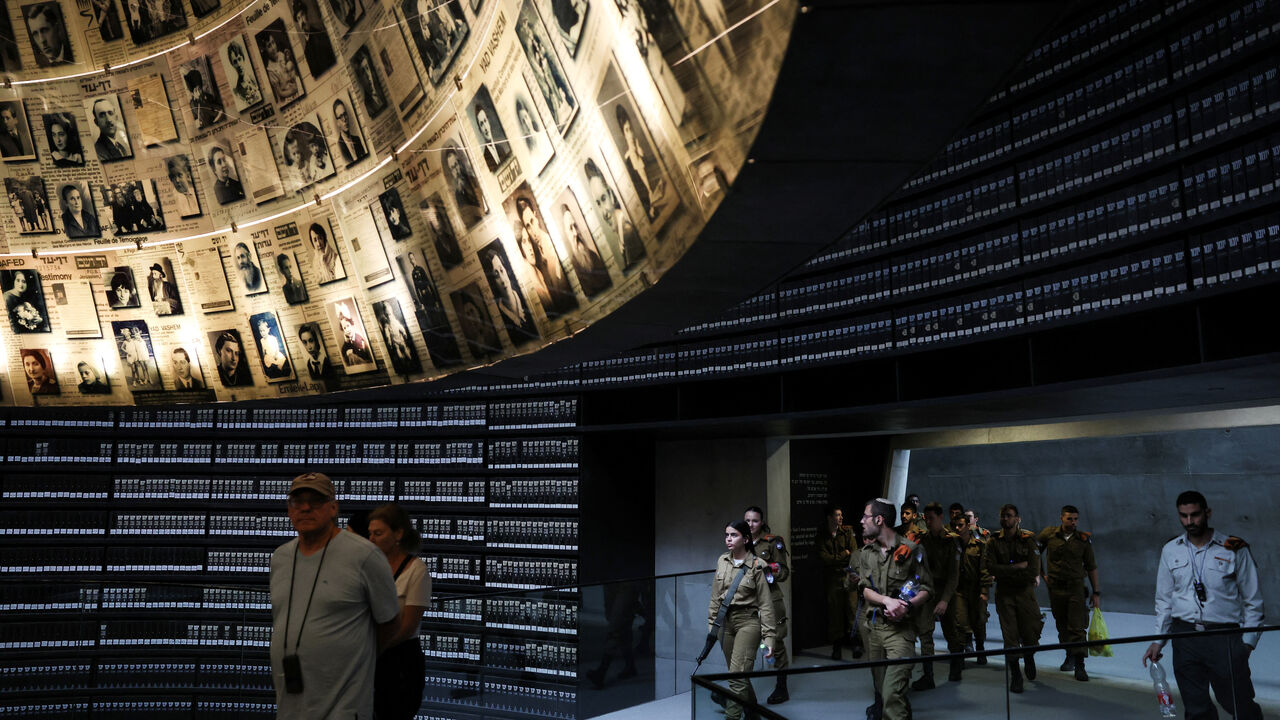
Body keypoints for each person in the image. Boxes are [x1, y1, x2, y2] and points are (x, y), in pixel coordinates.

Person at [269, 472, 400, 717]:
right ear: (289, 509)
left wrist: (353, 657)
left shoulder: (365, 556)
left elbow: (390, 624)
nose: (306, 508)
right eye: (298, 501)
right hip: (290, 707)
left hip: (344, 708)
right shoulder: (280, 558)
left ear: (333, 508)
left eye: (316, 501)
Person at [1142, 491, 1264, 720]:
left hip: (1224, 636)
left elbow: (1253, 601)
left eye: (1195, 515)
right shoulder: (1171, 550)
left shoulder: (1234, 548)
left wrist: (1246, 645)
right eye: (1183, 516)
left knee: (1238, 702)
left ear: (1207, 513)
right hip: (1184, 636)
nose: (1190, 522)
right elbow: (1164, 600)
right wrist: (1159, 639)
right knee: (1196, 707)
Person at [856, 498, 932, 720]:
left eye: (865, 516)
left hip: (901, 631)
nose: (861, 521)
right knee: (882, 690)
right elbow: (865, 589)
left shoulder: (912, 549)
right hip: (874, 629)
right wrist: (886, 601)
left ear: (879, 520)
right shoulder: (866, 553)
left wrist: (906, 605)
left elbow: (927, 588)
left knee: (891, 694)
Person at [707, 520, 775, 720]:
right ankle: (753, 713)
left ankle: (732, 717)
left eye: (734, 535)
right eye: (727, 534)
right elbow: (714, 598)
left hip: (748, 623)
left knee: (737, 677)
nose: (728, 538)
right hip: (725, 624)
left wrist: (769, 637)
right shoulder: (722, 561)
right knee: (737, 674)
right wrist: (712, 626)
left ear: (745, 539)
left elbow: (766, 604)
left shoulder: (757, 565)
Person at [367, 504, 430, 719]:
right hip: (372, 658)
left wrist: (372, 647)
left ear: (398, 534)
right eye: (370, 533)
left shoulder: (417, 570)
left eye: (378, 533)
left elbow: (408, 627)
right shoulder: (370, 567)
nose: (371, 539)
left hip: (401, 662)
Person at [981, 503, 1042, 693]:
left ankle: (1029, 655)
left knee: (1031, 632)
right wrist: (1015, 568)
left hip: (1024, 593)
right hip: (1005, 594)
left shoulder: (1028, 540)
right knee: (1010, 636)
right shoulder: (993, 541)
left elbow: (1033, 569)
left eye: (1009, 516)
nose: (1005, 519)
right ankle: (1016, 675)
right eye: (1003, 516)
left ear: (1017, 519)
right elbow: (989, 567)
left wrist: (1005, 571)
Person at [1037, 505, 1100, 681]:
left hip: (1076, 588)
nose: (1073, 522)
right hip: (1056, 588)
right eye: (1069, 519)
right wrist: (1041, 574)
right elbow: (1034, 553)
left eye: (1075, 519)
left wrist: (1096, 592)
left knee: (1077, 627)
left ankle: (1080, 665)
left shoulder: (1082, 539)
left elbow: (1091, 566)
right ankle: (1069, 654)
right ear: (1061, 518)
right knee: (1062, 625)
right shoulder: (1049, 535)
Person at [909, 502, 960, 689]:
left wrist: (945, 600)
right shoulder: (923, 541)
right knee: (925, 632)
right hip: (928, 590)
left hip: (947, 590)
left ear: (940, 518)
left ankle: (956, 663)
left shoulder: (951, 541)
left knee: (951, 632)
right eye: (926, 519)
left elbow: (954, 576)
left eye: (931, 518)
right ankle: (928, 675)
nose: (928, 522)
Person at [745, 506, 791, 704]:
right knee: (747, 642)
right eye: (747, 521)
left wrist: (766, 572)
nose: (751, 525)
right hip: (747, 601)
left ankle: (781, 686)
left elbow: (784, 572)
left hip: (770, 600)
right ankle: (740, 688)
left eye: (755, 521)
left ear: (761, 522)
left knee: (774, 643)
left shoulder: (772, 542)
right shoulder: (741, 540)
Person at [585, 159, 645, 270]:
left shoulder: (628, 232)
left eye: (603, 199)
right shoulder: (621, 237)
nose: (604, 212)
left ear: (611, 196)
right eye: (598, 203)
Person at [818, 504, 859, 660]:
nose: (841, 518)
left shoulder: (848, 532)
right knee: (834, 613)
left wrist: (841, 557)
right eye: (837, 515)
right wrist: (843, 554)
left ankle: (855, 643)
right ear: (829, 518)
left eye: (841, 515)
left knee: (852, 610)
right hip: (833, 578)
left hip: (848, 576)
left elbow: (854, 554)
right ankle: (837, 647)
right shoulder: (822, 535)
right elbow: (824, 559)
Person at [949, 513, 990, 672]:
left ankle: (980, 647)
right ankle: (959, 658)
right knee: (960, 622)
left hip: (977, 589)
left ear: (968, 526)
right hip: (959, 589)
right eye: (956, 526)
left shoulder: (979, 544)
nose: (957, 528)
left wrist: (985, 591)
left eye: (960, 525)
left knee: (979, 620)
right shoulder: (952, 544)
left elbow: (984, 569)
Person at [562, 204, 610, 297]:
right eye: (570, 228)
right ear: (567, 234)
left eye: (575, 226)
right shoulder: (572, 267)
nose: (575, 233)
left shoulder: (594, 256)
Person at [292, 0, 336, 76]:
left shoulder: (321, 35)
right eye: (298, 18)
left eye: (302, 15)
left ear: (307, 15)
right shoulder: (306, 51)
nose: (302, 21)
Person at [91, 98, 131, 162]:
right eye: (102, 115)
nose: (109, 120)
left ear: (116, 117)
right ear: (96, 122)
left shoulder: (121, 148)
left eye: (110, 113)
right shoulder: (98, 153)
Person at [226, 39, 263, 108]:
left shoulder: (254, 78)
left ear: (243, 58)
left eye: (239, 59)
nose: (239, 64)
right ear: (232, 65)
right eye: (235, 62)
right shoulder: (237, 90)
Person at [333, 98, 366, 165]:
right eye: (340, 116)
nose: (344, 119)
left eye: (345, 114)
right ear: (337, 123)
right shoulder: (339, 147)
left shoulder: (357, 140)